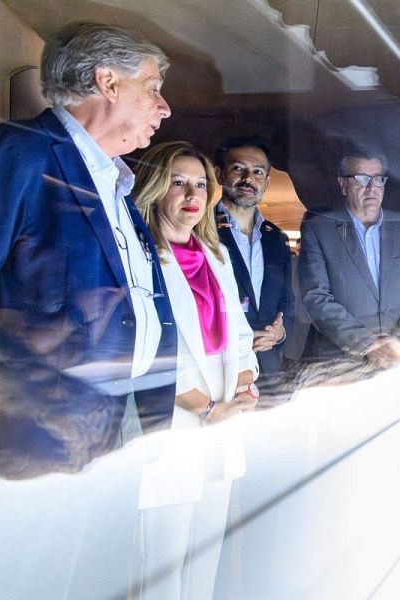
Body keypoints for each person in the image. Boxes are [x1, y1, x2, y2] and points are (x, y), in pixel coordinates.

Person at [0, 22, 177, 475]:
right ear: (107, 82)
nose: (164, 108)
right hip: (38, 439)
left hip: (118, 426)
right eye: (152, 88)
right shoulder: (19, 154)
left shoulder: (115, 183)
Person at [132, 141, 259, 599]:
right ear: (156, 188)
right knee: (162, 574)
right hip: (175, 425)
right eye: (179, 182)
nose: (192, 193)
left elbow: (241, 334)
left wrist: (246, 382)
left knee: (205, 564)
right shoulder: (141, 257)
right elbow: (147, 351)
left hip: (223, 424)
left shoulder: (217, 254)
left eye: (201, 184)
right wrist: (205, 408)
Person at [299, 148, 400, 366]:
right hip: (341, 360)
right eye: (362, 179)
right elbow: (315, 296)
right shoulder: (319, 229)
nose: (372, 188)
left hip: (399, 357)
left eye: (378, 179)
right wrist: (366, 345)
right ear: (343, 185)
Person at [214, 136, 293, 376]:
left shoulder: (277, 239)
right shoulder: (200, 231)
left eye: (258, 172)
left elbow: (286, 302)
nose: (249, 179)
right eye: (238, 168)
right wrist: (237, 339)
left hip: (269, 367)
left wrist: (281, 333)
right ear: (219, 174)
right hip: (219, 367)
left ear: (267, 181)